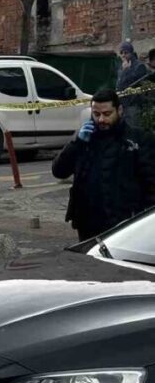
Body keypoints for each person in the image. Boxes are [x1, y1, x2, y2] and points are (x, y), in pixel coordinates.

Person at [52, 89, 155, 240]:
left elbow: (151, 183)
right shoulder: (84, 138)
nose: (101, 120)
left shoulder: (137, 139)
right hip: (87, 223)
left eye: (107, 114)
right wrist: (76, 144)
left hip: (123, 222)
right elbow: (59, 171)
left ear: (119, 110)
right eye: (96, 114)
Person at [117, 42, 148, 122]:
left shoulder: (139, 66)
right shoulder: (122, 66)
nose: (123, 55)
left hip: (133, 103)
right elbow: (120, 84)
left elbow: (134, 83)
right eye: (121, 53)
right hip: (122, 103)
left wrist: (127, 70)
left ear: (131, 53)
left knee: (132, 127)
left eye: (126, 52)